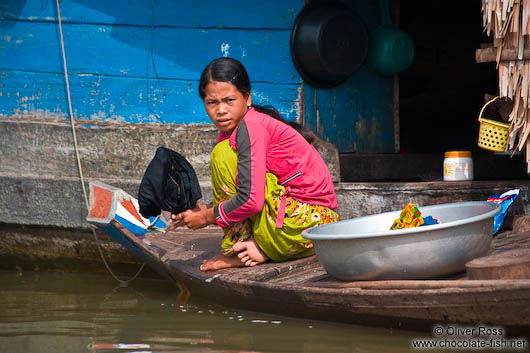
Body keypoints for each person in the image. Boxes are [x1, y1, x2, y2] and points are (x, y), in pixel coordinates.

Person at [169, 57, 339, 271]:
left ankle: (236, 249)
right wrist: (201, 211)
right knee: (226, 156)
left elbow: (251, 200)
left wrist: (206, 217)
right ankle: (260, 246)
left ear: (247, 98)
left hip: (308, 224)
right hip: (310, 223)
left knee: (222, 155)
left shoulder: (251, 128)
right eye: (212, 102)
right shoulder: (237, 129)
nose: (221, 110)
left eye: (229, 100)